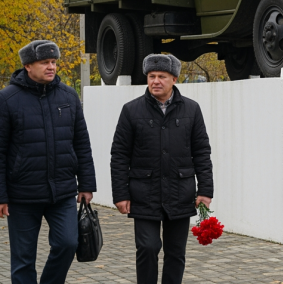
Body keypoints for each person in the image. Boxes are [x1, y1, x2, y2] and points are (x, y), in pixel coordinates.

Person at [110, 54, 214, 284]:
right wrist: (121, 194)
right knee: (148, 247)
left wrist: (205, 190)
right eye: (151, 76)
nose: (156, 81)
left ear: (174, 79)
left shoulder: (192, 110)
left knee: (176, 253)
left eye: (162, 76)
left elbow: (202, 153)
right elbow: (119, 155)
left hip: (180, 191)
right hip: (143, 193)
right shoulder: (131, 110)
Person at [0, 40, 97, 284]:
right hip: (21, 194)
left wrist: (86, 185)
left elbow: (82, 143)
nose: (51, 67)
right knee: (23, 259)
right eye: (45, 62)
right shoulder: (7, 99)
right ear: (27, 66)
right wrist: (1, 195)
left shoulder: (68, 95)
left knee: (68, 243)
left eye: (53, 62)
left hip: (62, 191)